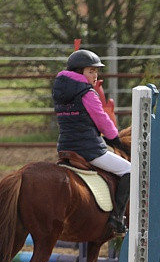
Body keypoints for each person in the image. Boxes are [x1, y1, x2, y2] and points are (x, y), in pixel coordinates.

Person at [53, 49, 130, 235]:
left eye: (96, 71)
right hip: (89, 150)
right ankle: (117, 218)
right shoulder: (86, 93)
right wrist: (114, 139)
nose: (95, 75)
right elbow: (101, 119)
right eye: (90, 71)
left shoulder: (61, 92)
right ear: (79, 72)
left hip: (65, 147)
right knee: (130, 170)